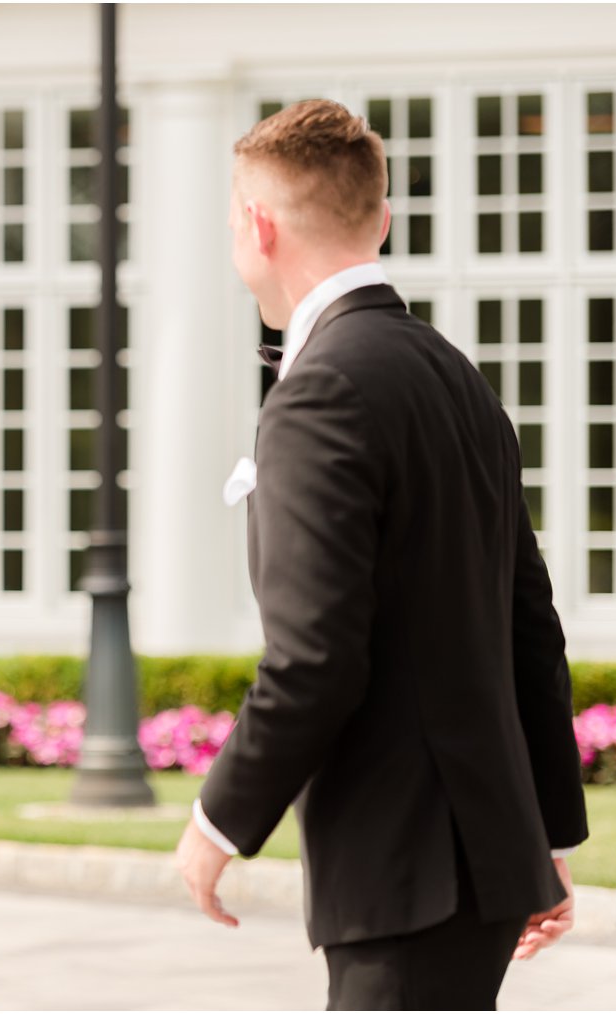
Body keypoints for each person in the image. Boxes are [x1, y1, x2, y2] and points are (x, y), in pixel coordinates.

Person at [173, 100, 589, 1010]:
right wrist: (545, 836)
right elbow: (532, 629)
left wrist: (219, 821)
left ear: (257, 224)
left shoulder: (322, 389)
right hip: (474, 869)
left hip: (404, 868)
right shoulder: (456, 376)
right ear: (383, 217)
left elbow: (317, 655)